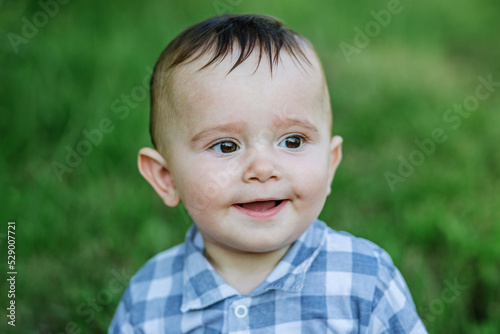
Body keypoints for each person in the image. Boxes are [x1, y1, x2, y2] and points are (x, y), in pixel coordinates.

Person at [109, 14, 427, 333]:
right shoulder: (147, 299)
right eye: (225, 146)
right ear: (167, 178)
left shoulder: (366, 281)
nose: (262, 169)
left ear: (330, 164)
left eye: (292, 141)